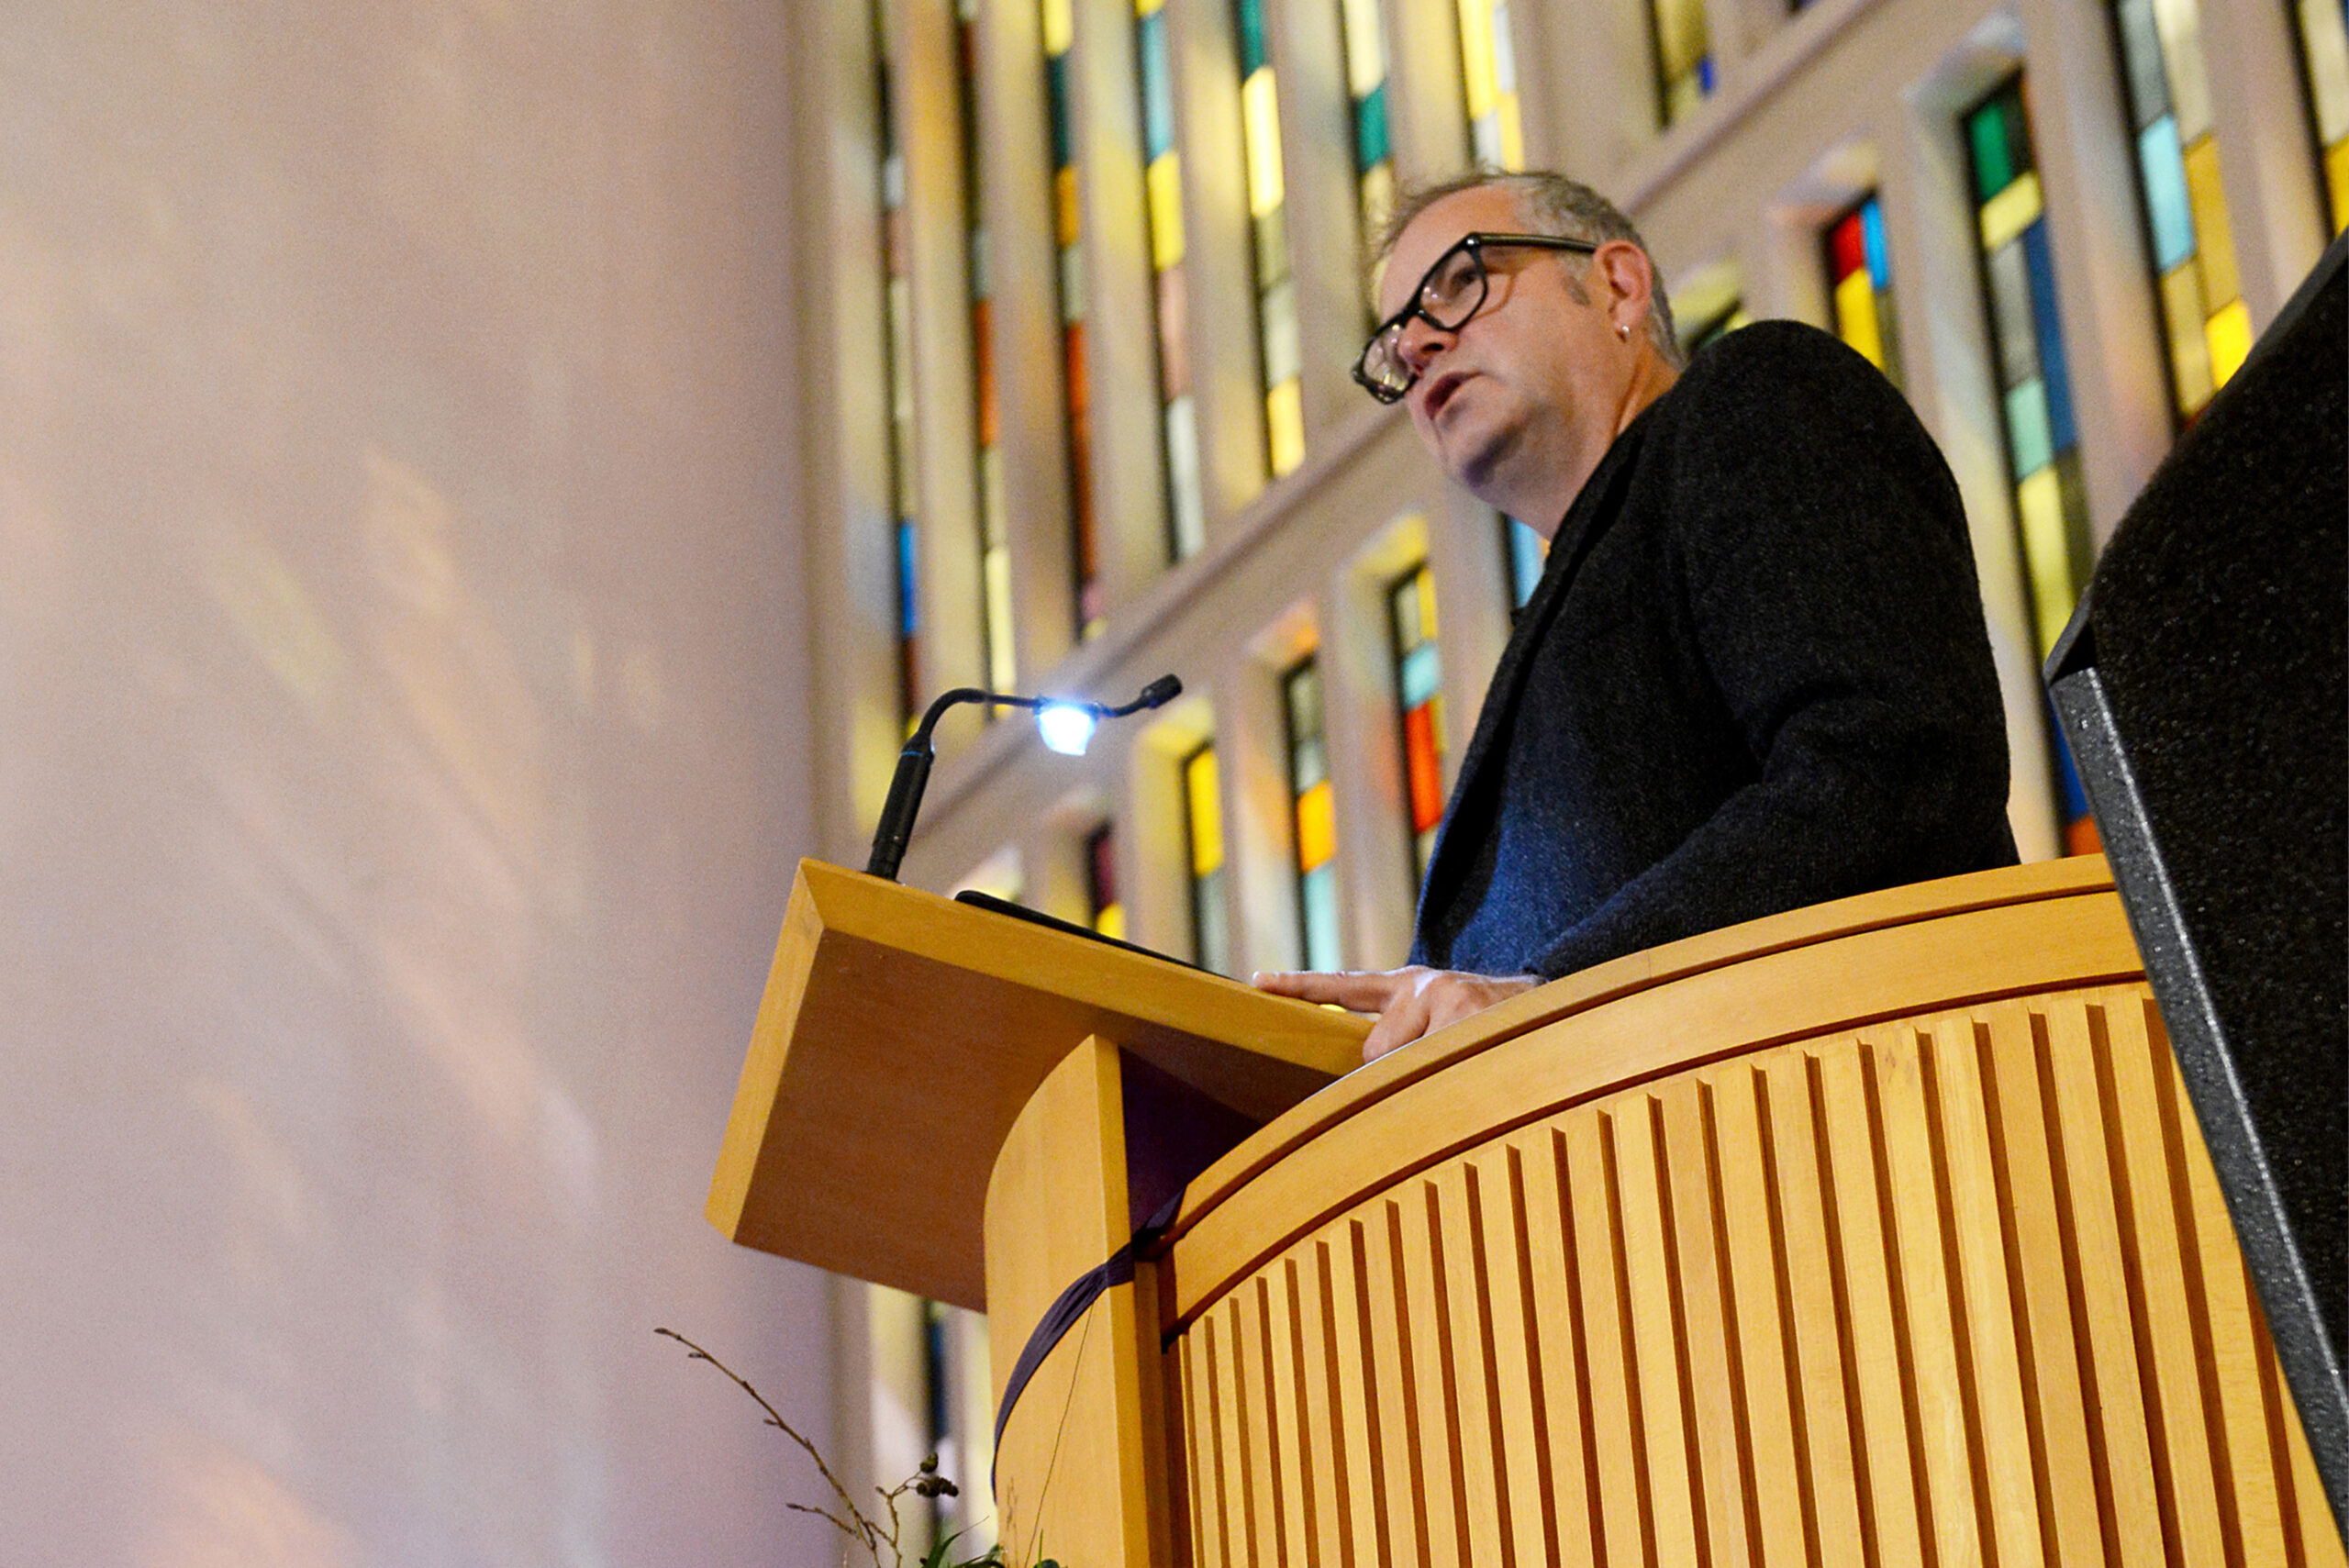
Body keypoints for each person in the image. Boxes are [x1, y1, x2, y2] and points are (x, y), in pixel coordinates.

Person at [1255, 172, 2018, 1062]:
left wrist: (1551, 999)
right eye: (1396, 347)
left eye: (1458, 285)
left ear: (1617, 285)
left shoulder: (1748, 402)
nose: (1418, 345)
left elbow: (1894, 761)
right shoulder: (1560, 611)